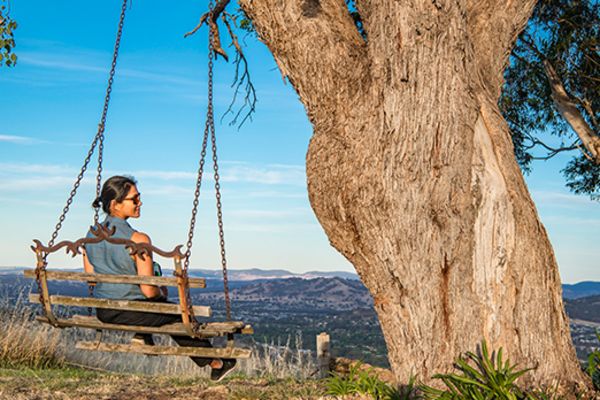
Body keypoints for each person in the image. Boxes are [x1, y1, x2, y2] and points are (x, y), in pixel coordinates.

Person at [82, 175, 236, 381]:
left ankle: (143, 336)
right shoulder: (138, 239)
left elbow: (91, 279)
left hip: (104, 311)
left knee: (162, 312)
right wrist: (160, 291)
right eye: (134, 199)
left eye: (139, 197)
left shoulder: (90, 235)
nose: (140, 202)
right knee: (178, 314)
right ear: (115, 204)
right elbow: (148, 291)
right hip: (131, 310)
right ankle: (215, 363)